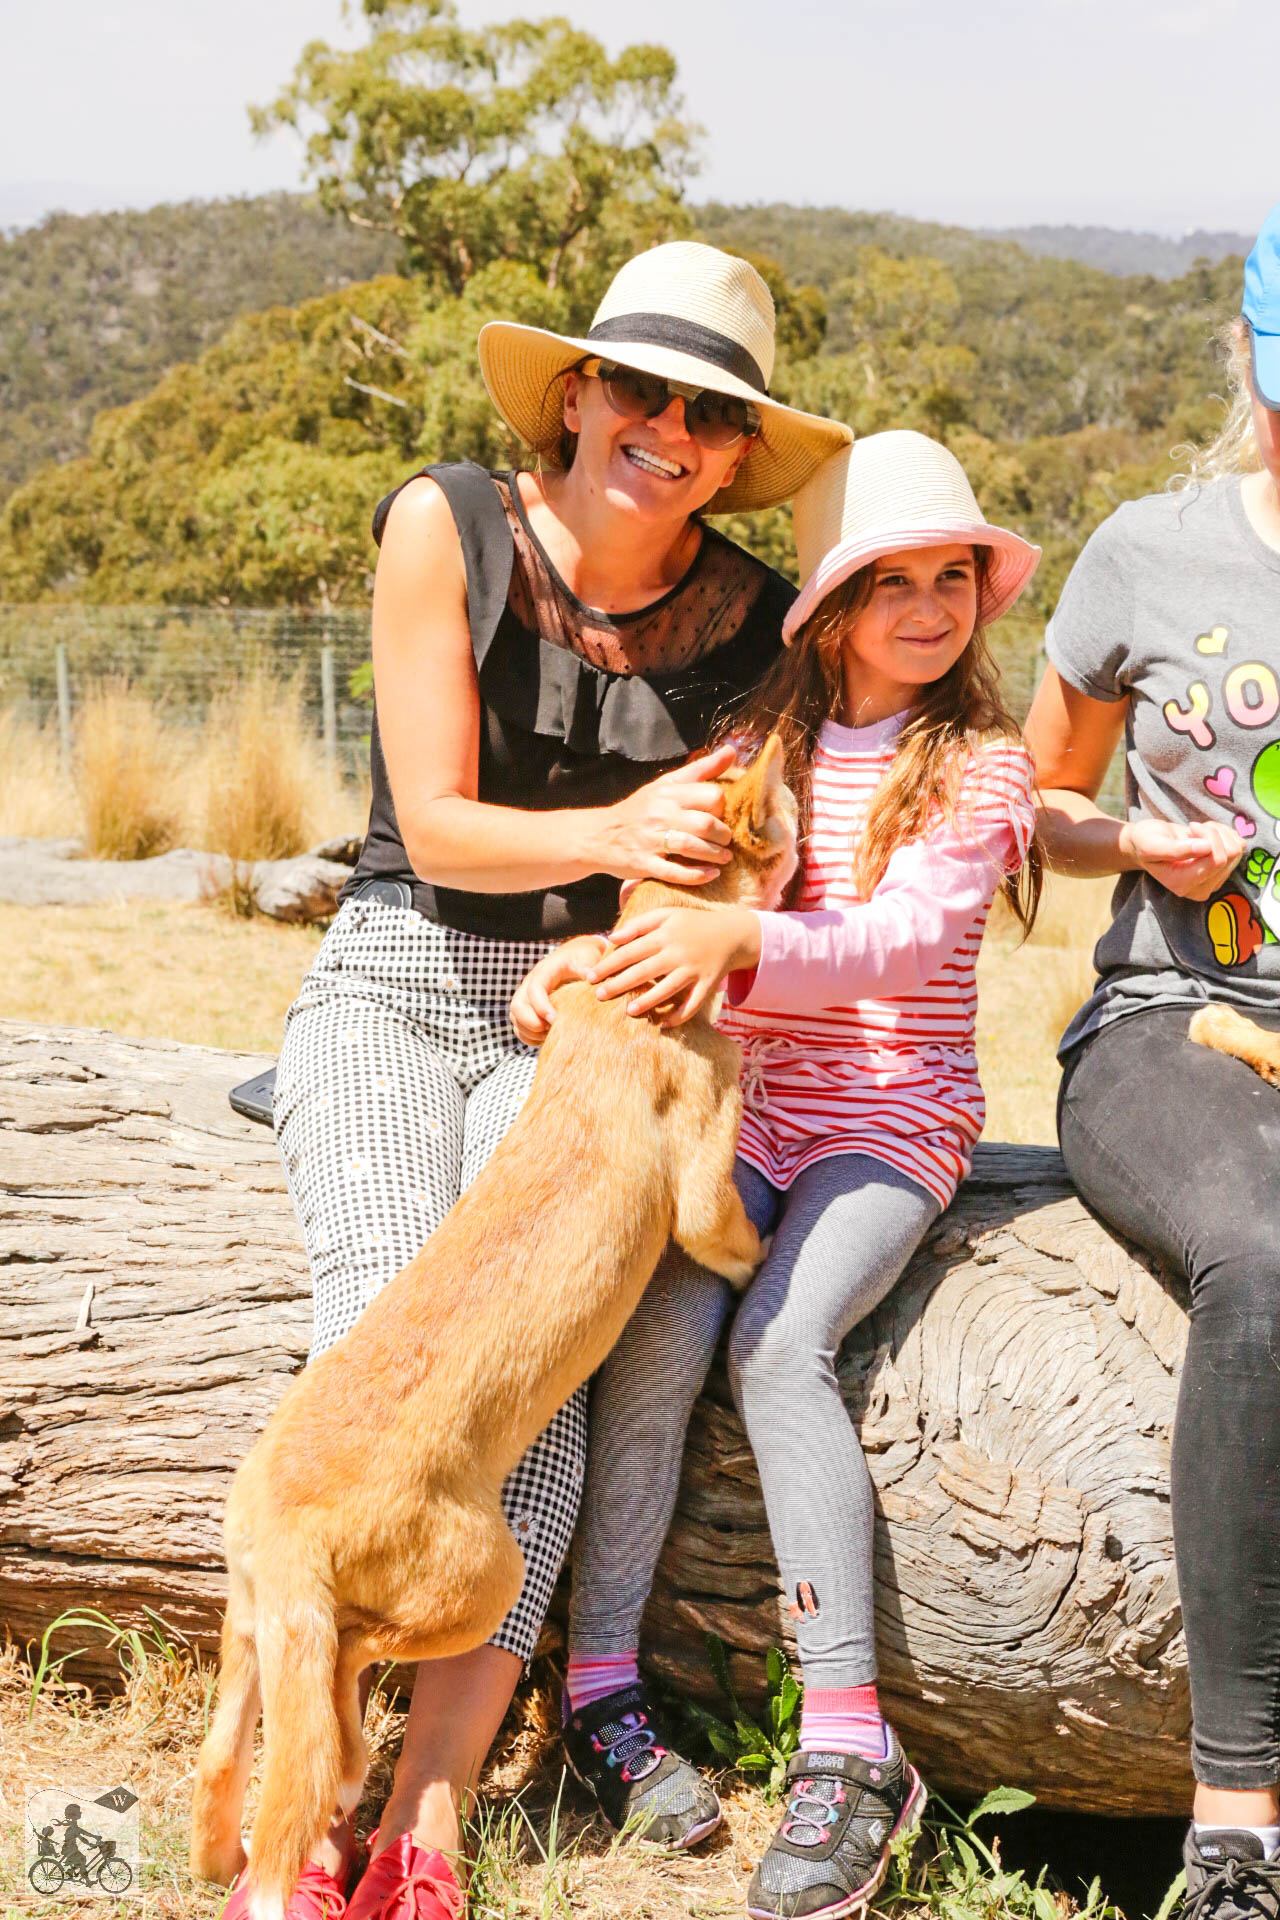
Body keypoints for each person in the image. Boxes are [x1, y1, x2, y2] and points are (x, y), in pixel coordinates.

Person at [243, 241, 851, 1920]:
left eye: (711, 415)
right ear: (575, 393)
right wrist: (609, 835)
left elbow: (751, 861)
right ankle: (304, 1811)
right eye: (640, 388)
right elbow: (433, 821)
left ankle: (427, 1825)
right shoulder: (445, 523)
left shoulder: (744, 626)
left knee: (535, 1379)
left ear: (736, 452)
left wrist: (683, 922)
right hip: (400, 969)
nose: (668, 428)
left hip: (590, 1011)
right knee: (384, 1322)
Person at [513, 429, 1041, 1920]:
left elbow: (904, 947)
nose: (932, 607)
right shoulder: (765, 752)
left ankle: (850, 1743)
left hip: (892, 1124)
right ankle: (603, 1687)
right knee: (653, 1336)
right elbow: (662, 897)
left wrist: (740, 944)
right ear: (829, 610)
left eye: (956, 579)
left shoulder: (983, 768)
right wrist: (571, 972)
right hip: (747, 1118)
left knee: (781, 1344)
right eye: (897, 583)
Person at [1022, 204, 1280, 1920]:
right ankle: (1236, 1817)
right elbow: (1021, 809)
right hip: (1165, 1030)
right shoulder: (1148, 552)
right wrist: (1134, 849)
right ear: (1253, 354)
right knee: (1265, 1264)